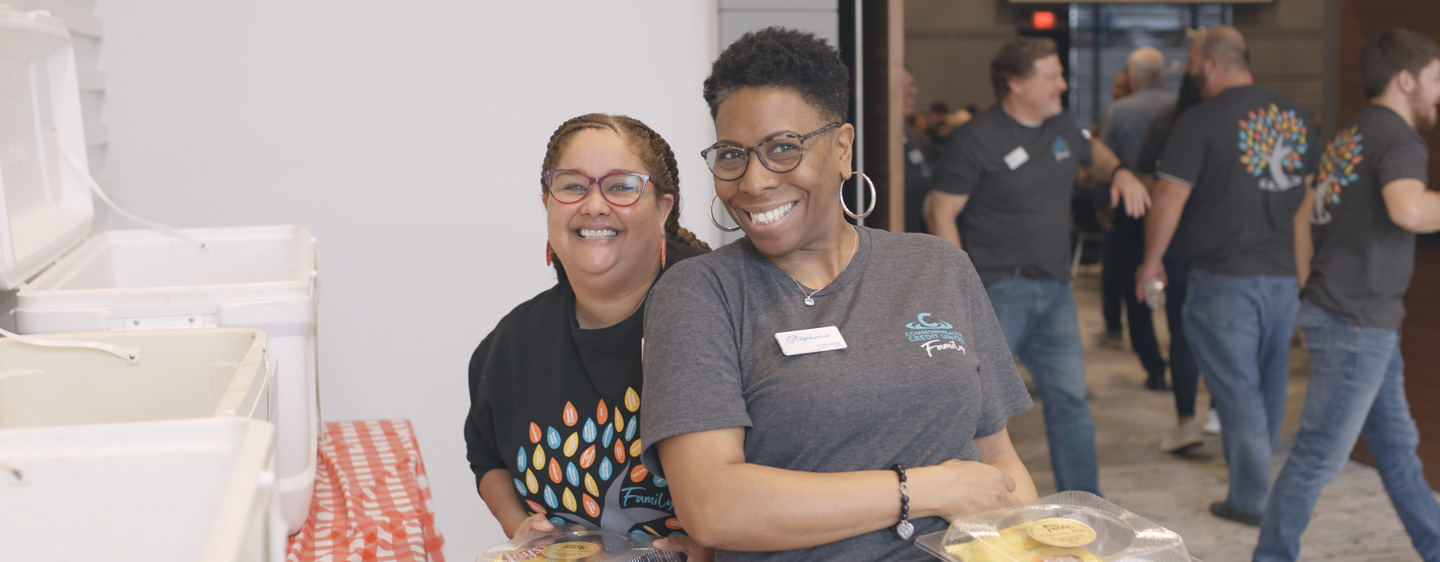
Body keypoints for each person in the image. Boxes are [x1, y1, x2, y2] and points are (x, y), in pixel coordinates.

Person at [640, 27, 1037, 560]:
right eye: (732, 154)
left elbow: (997, 458)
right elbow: (714, 507)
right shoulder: (698, 295)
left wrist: (1033, 544)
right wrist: (927, 489)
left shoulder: (938, 266)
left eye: (783, 148)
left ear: (842, 147)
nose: (753, 182)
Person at [464, 113, 712, 559]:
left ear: (663, 209)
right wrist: (520, 525)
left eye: (620, 186)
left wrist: (730, 542)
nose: (594, 205)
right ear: (547, 203)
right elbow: (486, 454)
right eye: (572, 185)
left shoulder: (719, 315)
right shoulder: (509, 346)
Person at [928, 36, 1151, 495]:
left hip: (1055, 290)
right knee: (972, 407)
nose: (1062, 85)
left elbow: (1096, 148)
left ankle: (1086, 503)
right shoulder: (977, 139)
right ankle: (959, 501)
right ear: (1015, 84)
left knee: (1070, 400)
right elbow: (940, 212)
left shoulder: (1063, 127)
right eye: (1050, 76)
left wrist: (1121, 171)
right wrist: (959, 289)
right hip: (996, 293)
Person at [1254, 28, 1440, 562]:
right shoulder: (1401, 140)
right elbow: (1408, 209)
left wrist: (1314, 291)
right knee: (1317, 455)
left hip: (1355, 316)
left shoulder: (1350, 135)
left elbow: (1304, 218)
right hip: (1357, 320)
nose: (1437, 91)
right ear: (1406, 80)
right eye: (1433, 80)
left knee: (1397, 449)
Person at [1135, 26, 1320, 526]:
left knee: (1236, 391)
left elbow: (1169, 198)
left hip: (1223, 279)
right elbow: (1304, 204)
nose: (1189, 72)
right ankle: (1262, 484)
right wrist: (1304, 276)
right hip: (1282, 278)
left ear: (1211, 64)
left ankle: (1250, 500)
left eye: (1193, 62)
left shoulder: (1200, 120)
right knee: (1269, 384)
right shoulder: (1295, 117)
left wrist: (1151, 261)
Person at [1132, 48, 1211, 454]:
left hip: (1177, 242)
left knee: (1183, 331)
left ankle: (1186, 420)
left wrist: (1151, 254)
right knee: (1223, 332)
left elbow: (1150, 185)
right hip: (1225, 245)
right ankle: (1218, 411)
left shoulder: (1169, 122)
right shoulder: (1229, 121)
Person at [1097, 47, 1174, 393]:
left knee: (1136, 288)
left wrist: (1103, 205)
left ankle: (1154, 367)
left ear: (1133, 76)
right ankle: (1184, 362)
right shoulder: (1183, 109)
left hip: (1133, 209)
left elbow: (1105, 165)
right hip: (1179, 213)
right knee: (1181, 289)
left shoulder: (1120, 111)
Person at [902, 66, 936, 234]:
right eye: (901, 85)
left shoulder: (916, 137)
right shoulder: (871, 146)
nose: (911, 92)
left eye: (912, 84)